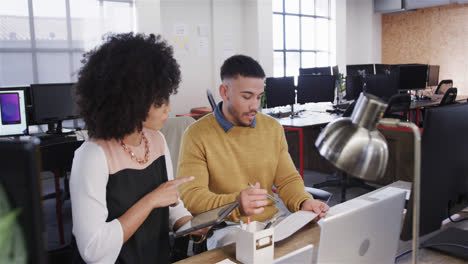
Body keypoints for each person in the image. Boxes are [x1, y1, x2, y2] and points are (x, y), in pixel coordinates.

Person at [70, 33, 207, 264]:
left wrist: (190, 224)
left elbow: (171, 204)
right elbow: (93, 250)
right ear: (130, 101)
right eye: (158, 102)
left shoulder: (156, 140)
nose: (168, 108)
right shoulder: (92, 156)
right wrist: (151, 200)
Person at [177, 55, 329, 249]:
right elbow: (191, 197)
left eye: (259, 97)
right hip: (226, 229)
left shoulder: (272, 128)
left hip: (273, 223)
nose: (254, 106)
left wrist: (303, 201)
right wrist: (236, 203)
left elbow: (288, 180)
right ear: (224, 92)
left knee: (315, 250)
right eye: (247, 97)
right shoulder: (196, 134)